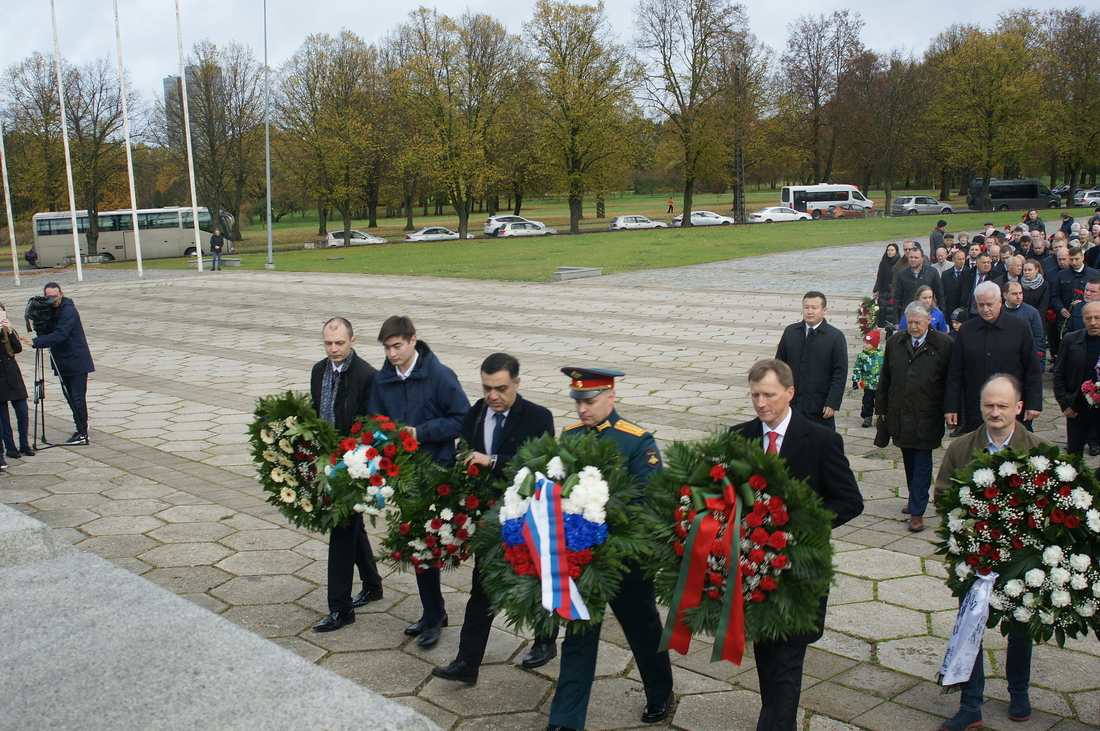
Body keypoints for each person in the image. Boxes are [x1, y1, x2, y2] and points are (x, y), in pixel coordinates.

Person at [730, 359, 863, 731]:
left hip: (799, 577)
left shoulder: (821, 440)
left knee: (787, 662)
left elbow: (850, 502)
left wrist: (797, 522)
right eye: (755, 394)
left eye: (768, 395)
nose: (760, 403)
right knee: (768, 660)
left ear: (789, 393)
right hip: (754, 573)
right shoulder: (739, 437)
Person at [546, 367, 673, 731]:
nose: (582, 409)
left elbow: (649, 502)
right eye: (578, 401)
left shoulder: (636, 442)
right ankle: (565, 719)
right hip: (582, 561)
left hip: (625, 561)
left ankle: (660, 690)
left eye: (590, 401)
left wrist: (600, 525)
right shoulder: (569, 436)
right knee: (579, 635)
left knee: (643, 628)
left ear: (611, 397)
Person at [432, 353, 556, 684]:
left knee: (535, 582)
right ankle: (467, 663)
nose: (493, 396)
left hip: (526, 518)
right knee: (481, 592)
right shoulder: (476, 413)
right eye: (487, 388)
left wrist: (493, 461)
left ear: (517, 382)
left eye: (500, 388)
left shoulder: (538, 417)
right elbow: (465, 451)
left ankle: (545, 640)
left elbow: (540, 467)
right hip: (486, 520)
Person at [934, 374, 1042, 731]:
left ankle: (1019, 691)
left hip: (1020, 560)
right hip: (975, 557)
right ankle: (970, 704)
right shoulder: (961, 447)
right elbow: (943, 498)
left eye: (1002, 406)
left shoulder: (1039, 451)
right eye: (988, 405)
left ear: (1019, 408)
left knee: (1021, 626)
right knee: (971, 625)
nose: (994, 412)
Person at [368, 315, 470, 648]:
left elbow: (462, 420)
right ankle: (433, 612)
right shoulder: (382, 381)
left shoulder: (440, 376)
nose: (392, 354)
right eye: (387, 348)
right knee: (415, 546)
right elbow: (374, 422)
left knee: (428, 545)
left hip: (436, 472)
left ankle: (433, 615)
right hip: (401, 474)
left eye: (397, 346)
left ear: (414, 340)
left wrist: (421, 433)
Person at [309, 318, 384, 633]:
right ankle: (372, 584)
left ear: (353, 340)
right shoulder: (319, 371)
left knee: (341, 531)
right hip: (326, 462)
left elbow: (371, 425)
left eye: (339, 342)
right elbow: (316, 411)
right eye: (328, 343)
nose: (334, 349)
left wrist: (354, 463)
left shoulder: (367, 376)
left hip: (354, 466)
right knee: (352, 528)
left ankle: (340, 608)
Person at [877, 300, 953, 532]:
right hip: (900, 412)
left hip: (927, 414)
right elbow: (886, 378)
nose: (913, 327)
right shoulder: (895, 342)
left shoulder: (944, 344)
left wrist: (951, 410)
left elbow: (952, 382)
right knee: (908, 458)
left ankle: (917, 512)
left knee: (922, 462)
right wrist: (881, 409)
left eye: (918, 322)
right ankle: (914, 500)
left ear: (929, 321)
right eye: (909, 322)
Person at [944, 282, 1042, 437]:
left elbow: (1032, 369)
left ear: (1000, 302)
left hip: (1012, 406)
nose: (985, 309)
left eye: (989, 304)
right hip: (976, 406)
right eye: (980, 305)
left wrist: (1034, 404)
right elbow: (955, 372)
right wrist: (951, 407)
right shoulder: (967, 330)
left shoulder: (1020, 327)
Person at [25, 283, 94, 445]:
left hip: (76, 360)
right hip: (62, 361)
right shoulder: (51, 310)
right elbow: (48, 330)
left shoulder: (68, 310)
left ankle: (82, 432)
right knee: (70, 397)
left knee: (77, 397)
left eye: (56, 296)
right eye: (50, 297)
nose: (53, 300)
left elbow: (60, 334)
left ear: (61, 293)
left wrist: (36, 342)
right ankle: (81, 424)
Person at [775, 291, 847, 429]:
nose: (809, 311)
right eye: (806, 307)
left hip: (819, 404)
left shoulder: (835, 337)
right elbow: (779, 366)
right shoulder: (791, 332)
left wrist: (832, 402)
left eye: (814, 307)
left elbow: (840, 373)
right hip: (792, 403)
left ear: (824, 310)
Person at [1052, 300, 1100, 456]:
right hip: (1078, 408)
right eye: (1088, 318)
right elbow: (1059, 375)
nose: (1093, 323)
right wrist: (1065, 404)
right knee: (1074, 455)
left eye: (1097, 318)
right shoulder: (1071, 340)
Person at [0, 304, 33, 462]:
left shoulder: (6, 332)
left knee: (22, 411)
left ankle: (24, 444)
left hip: (13, 376)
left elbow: (17, 349)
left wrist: (9, 331)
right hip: (1, 379)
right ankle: (10, 447)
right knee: (3, 417)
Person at [1001, 281, 1047, 372]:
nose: (1018, 296)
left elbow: (1039, 338)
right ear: (1005, 295)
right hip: (1003, 361)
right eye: (1014, 294)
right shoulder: (998, 312)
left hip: (1024, 360)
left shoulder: (1032, 312)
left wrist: (1040, 364)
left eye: (1020, 293)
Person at [894, 245, 944, 324]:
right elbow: (897, 298)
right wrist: (896, 321)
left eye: (916, 258)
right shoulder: (902, 274)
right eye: (911, 257)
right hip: (909, 313)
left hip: (928, 314)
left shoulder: (932, 272)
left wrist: (942, 313)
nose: (913, 260)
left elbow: (940, 294)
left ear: (922, 258)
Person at [952, 253, 1003, 320]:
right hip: (969, 314)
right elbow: (958, 294)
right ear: (977, 263)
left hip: (988, 314)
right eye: (984, 263)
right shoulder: (967, 274)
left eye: (988, 262)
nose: (987, 265)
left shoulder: (996, 277)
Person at [851, 330, 883, 428]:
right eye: (865, 343)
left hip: (880, 384)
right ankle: (867, 416)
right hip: (868, 383)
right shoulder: (863, 356)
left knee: (880, 401)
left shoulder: (882, 355)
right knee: (867, 401)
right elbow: (857, 367)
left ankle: (880, 417)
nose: (865, 345)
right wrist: (855, 380)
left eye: (868, 343)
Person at [872, 243, 900, 330]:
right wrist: (876, 289)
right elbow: (879, 276)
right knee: (883, 310)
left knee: (891, 311)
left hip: (893, 291)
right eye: (888, 250)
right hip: (884, 290)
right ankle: (885, 327)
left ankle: (890, 329)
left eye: (892, 250)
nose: (890, 252)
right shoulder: (883, 262)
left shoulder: (898, 263)